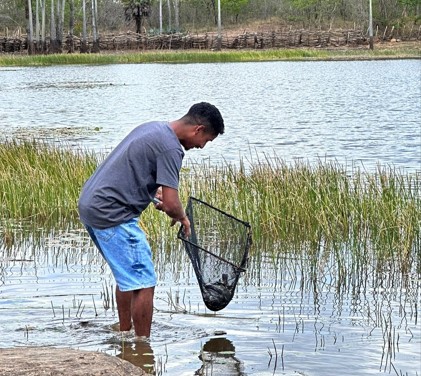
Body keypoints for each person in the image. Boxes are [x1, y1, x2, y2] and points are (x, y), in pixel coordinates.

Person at [78, 102, 224, 338]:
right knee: (144, 281)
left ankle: (125, 334)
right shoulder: (171, 149)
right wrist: (182, 217)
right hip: (111, 213)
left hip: (91, 205)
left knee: (128, 276)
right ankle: (143, 345)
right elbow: (172, 202)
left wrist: (152, 194)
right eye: (205, 141)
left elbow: (137, 173)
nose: (201, 147)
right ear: (198, 130)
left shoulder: (154, 128)